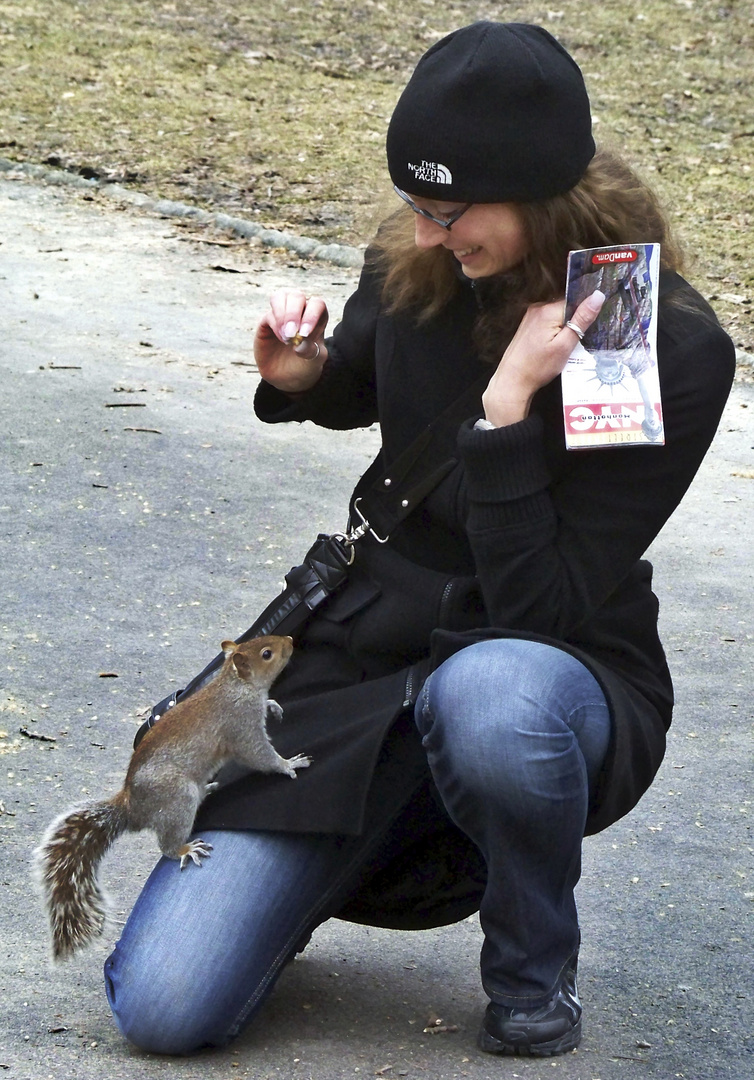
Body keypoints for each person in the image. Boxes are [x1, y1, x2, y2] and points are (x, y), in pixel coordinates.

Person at [103, 22, 735, 1058]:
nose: (428, 232)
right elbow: (372, 369)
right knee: (166, 1008)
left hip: (548, 666)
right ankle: (308, 875)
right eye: (415, 206)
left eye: (452, 211)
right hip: (367, 655)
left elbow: (540, 607)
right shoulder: (420, 253)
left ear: (537, 192)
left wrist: (507, 417)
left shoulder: (651, 338)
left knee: (490, 694)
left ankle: (533, 970)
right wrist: (303, 375)